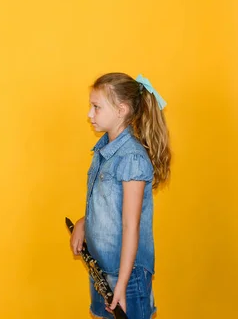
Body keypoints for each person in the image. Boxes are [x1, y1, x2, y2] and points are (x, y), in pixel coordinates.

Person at [70, 72, 171, 319]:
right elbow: (109, 205)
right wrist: (84, 222)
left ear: (121, 110)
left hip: (127, 275)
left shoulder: (132, 158)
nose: (89, 114)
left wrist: (122, 285)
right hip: (104, 270)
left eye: (96, 107)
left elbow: (130, 225)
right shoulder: (104, 149)